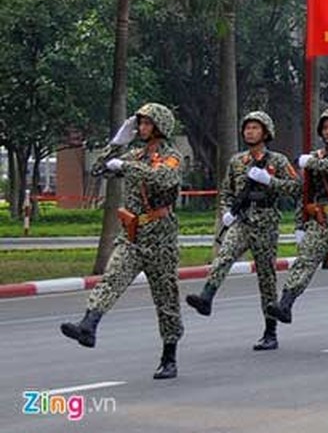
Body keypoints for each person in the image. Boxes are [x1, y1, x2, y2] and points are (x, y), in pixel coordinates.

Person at [60, 103, 184, 380]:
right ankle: (89, 325)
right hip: (131, 235)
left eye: (146, 124)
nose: (141, 129)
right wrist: (117, 143)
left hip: (160, 237)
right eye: (139, 124)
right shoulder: (135, 153)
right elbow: (99, 169)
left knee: (166, 298)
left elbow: (163, 176)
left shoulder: (172, 156)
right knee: (112, 278)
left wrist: (127, 166)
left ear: (160, 127)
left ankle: (169, 356)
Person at [185, 112, 298, 351]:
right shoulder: (237, 161)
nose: (249, 132)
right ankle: (206, 297)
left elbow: (296, 187)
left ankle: (270, 331)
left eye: (255, 128)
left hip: (266, 222)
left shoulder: (277, 161)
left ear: (265, 132)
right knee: (224, 256)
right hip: (242, 221)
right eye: (247, 128)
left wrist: (270, 181)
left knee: (266, 276)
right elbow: (227, 190)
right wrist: (227, 211)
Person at [266, 108, 328, 349]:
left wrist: (312, 162)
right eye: (326, 128)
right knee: (305, 260)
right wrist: (300, 223)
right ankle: (286, 303)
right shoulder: (315, 157)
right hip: (320, 219)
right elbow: (306, 191)